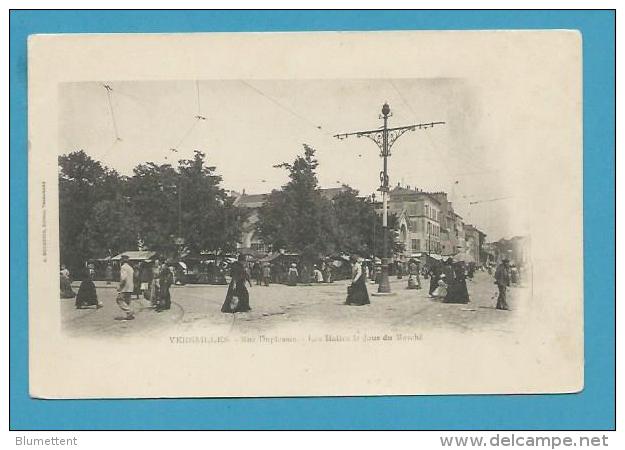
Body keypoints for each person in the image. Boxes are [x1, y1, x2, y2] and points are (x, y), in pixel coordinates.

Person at [116, 255, 135, 320]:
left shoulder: (123, 267)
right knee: (127, 301)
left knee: (119, 300)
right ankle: (129, 315)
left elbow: (123, 278)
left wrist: (120, 286)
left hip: (125, 287)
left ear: (122, 260)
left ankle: (129, 311)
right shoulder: (130, 268)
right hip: (130, 287)